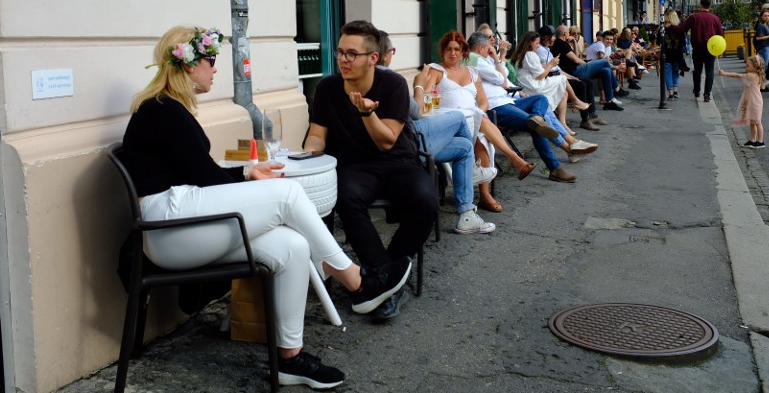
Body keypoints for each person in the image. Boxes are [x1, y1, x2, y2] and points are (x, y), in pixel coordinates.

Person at [120, 25, 411, 389]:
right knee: (286, 193)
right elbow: (205, 178)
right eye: (210, 61)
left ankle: (290, 358)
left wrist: (246, 171)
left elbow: (199, 172)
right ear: (186, 65)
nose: (215, 69)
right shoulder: (163, 109)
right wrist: (247, 176)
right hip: (168, 229)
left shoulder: (167, 109)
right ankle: (356, 281)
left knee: (293, 246)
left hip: (181, 220)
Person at [304, 20, 438, 321]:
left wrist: (367, 112)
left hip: (398, 161)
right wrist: (308, 153)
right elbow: (316, 135)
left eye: (352, 54)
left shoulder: (392, 85)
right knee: (347, 199)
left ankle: (383, 277)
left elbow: (387, 141)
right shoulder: (327, 88)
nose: (343, 59)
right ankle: (385, 280)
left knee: (426, 200)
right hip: (355, 166)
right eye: (340, 52)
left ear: (373, 58)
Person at [376, 31, 497, 235]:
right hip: (409, 143)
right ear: (387, 53)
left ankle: (467, 214)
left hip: (401, 143)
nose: (452, 53)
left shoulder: (354, 81)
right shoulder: (389, 79)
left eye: (457, 49)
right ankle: (473, 173)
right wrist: (419, 83)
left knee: (465, 147)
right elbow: (417, 112)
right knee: (459, 118)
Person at [420, 31, 541, 210]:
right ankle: (515, 160)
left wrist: (478, 112)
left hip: (472, 119)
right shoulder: (437, 70)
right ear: (442, 51)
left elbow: (483, 101)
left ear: (463, 52)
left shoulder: (472, 72)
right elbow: (427, 93)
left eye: (457, 49)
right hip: (447, 121)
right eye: (448, 49)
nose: (453, 53)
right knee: (480, 121)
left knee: (483, 139)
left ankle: (485, 195)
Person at [463, 32, 578, 183]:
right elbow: (501, 79)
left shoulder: (480, 59)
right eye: (488, 48)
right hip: (496, 106)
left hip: (506, 100)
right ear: (479, 49)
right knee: (536, 127)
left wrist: (496, 62)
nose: (490, 50)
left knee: (540, 99)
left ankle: (536, 118)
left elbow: (502, 79)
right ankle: (555, 168)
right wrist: (496, 59)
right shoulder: (475, 59)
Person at [510, 31, 589, 134]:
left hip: (529, 84)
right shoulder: (530, 54)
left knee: (564, 93)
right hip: (533, 86)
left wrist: (549, 65)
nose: (538, 46)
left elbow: (537, 68)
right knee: (562, 79)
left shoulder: (523, 54)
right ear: (530, 43)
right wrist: (551, 64)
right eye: (537, 43)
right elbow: (539, 76)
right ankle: (575, 101)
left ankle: (563, 124)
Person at [535, 25, 607, 131]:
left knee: (588, 82)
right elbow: (550, 68)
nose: (554, 39)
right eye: (553, 36)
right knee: (582, 85)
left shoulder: (547, 49)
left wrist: (571, 77)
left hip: (560, 75)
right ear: (547, 37)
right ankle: (585, 120)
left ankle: (593, 115)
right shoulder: (544, 49)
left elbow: (558, 68)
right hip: (550, 78)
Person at [553, 25, 628, 111]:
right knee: (604, 62)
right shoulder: (560, 43)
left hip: (577, 68)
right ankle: (616, 88)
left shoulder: (564, 43)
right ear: (565, 33)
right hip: (575, 71)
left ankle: (609, 102)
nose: (572, 34)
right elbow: (576, 60)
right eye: (570, 33)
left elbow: (577, 55)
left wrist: (574, 42)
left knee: (606, 70)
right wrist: (585, 64)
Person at [674, 0, 723, 102]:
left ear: (701, 5)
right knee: (709, 71)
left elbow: (682, 29)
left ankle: (697, 90)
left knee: (697, 70)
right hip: (711, 48)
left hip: (698, 47)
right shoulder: (715, 18)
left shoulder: (694, 17)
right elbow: (720, 35)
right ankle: (707, 94)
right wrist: (720, 51)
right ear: (710, 6)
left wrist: (670, 26)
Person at [718, 55, 766, 148]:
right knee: (752, 121)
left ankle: (760, 141)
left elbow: (737, 75)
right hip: (752, 101)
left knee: (757, 122)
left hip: (755, 102)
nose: (746, 67)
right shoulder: (756, 75)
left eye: (748, 65)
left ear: (755, 66)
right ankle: (753, 139)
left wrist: (724, 73)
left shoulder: (752, 75)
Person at [662, 9, 685, 99]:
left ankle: (670, 92)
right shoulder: (680, 29)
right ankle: (675, 91)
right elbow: (683, 43)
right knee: (675, 72)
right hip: (677, 54)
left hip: (666, 53)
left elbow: (660, 41)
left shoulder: (663, 28)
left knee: (667, 73)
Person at [752, 5, 769, 92]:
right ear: (761, 17)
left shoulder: (765, 25)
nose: (767, 17)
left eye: (768, 15)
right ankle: (761, 86)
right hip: (764, 48)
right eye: (765, 16)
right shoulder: (761, 25)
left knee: (763, 67)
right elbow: (758, 38)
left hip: (766, 47)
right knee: (763, 67)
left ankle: (761, 85)